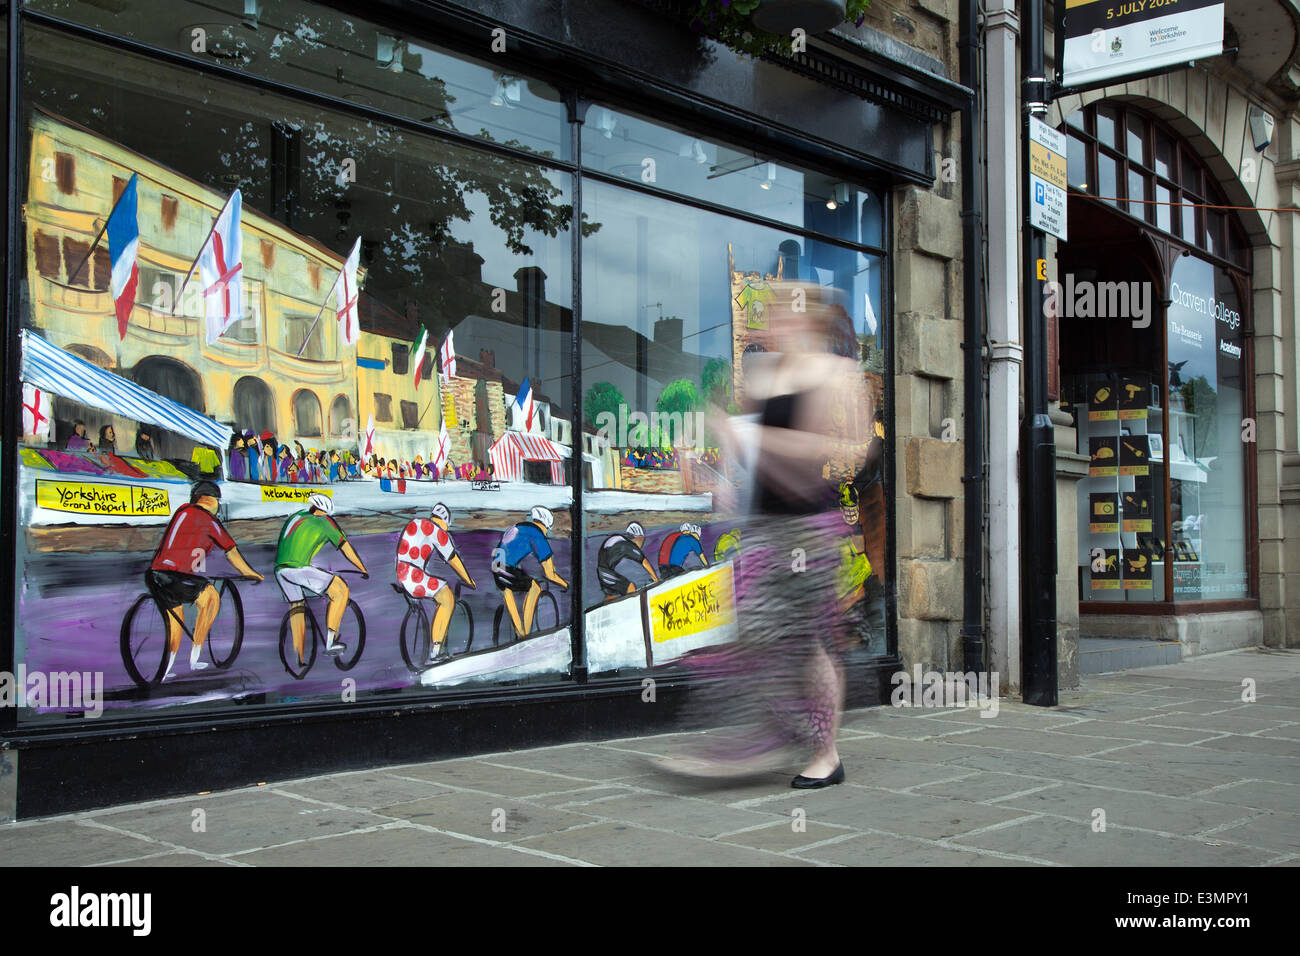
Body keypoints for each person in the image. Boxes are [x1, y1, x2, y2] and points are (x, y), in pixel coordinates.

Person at [659, 290, 871, 789]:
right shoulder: (766, 374)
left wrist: (755, 437)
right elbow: (756, 463)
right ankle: (775, 735)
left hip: (809, 529)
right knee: (760, 638)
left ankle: (824, 754)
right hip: (765, 528)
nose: (775, 324)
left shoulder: (837, 374)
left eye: (783, 314)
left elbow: (848, 452)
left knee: (807, 643)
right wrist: (726, 476)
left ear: (811, 320)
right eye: (771, 317)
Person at [146, 480, 263, 682]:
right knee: (210, 597)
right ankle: (195, 655)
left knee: (175, 620)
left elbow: (188, 549)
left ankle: (166, 669)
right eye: (217, 500)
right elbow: (231, 552)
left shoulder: (182, 511)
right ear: (210, 499)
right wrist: (251, 573)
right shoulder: (208, 520)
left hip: (156, 574)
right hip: (177, 576)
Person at [274, 492, 368, 665]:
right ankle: (331, 642)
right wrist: (362, 569)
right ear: (323, 512)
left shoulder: (296, 517)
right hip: (298, 569)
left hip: (280, 571)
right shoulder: (325, 522)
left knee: (297, 608)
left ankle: (299, 658)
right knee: (340, 590)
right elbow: (345, 548)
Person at [396, 503, 476, 662]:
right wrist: (468, 580)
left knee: (436, 587)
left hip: (402, 571)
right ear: (445, 521)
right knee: (447, 598)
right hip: (412, 575)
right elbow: (453, 559)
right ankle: (436, 650)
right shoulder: (437, 531)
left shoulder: (417, 522)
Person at [493, 505, 569, 637]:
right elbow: (550, 574)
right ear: (546, 525)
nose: (546, 533)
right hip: (507, 567)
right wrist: (565, 584)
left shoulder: (521, 526)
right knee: (535, 588)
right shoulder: (538, 535)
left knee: (507, 590)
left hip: (495, 565)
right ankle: (526, 633)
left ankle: (519, 631)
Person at [596, 522, 658, 600]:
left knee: (612, 595)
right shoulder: (629, 546)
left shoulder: (622, 541)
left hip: (603, 572)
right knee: (630, 587)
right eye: (642, 540)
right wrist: (656, 579)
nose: (642, 543)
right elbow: (644, 562)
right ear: (638, 538)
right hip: (605, 573)